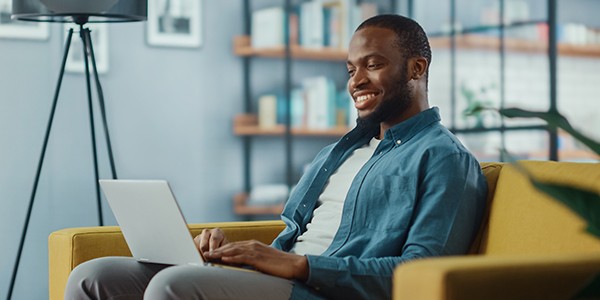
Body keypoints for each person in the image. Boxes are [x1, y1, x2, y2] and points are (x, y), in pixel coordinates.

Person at [65, 14, 487, 300]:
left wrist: (298, 265)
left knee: (173, 287)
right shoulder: (341, 151)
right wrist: (230, 252)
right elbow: (294, 234)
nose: (356, 80)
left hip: (321, 290)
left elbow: (422, 274)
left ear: (416, 68)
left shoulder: (444, 159)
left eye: (373, 65)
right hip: (283, 276)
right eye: (350, 69)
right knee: (94, 276)